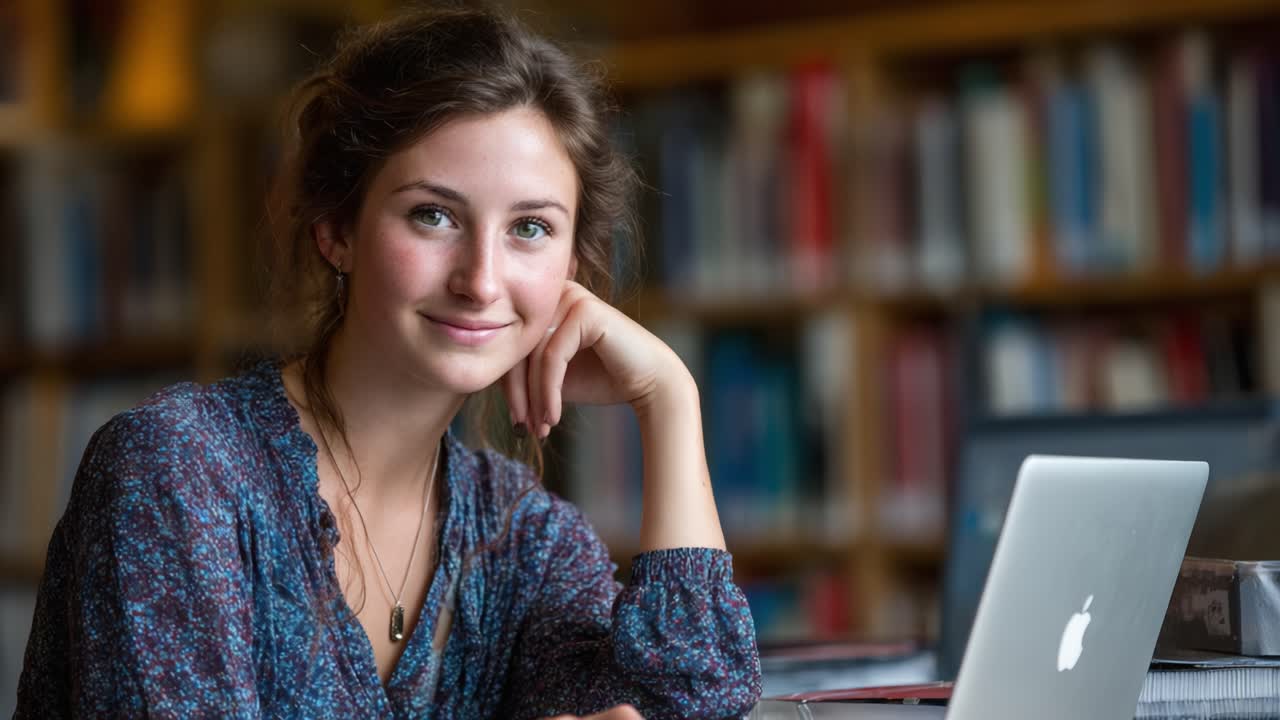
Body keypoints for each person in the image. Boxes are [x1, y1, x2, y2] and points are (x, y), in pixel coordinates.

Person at [14, 6, 762, 720]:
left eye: (530, 228)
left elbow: (690, 702)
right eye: (432, 215)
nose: (482, 280)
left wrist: (669, 399)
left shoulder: (523, 539)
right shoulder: (178, 471)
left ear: (572, 262)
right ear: (336, 229)